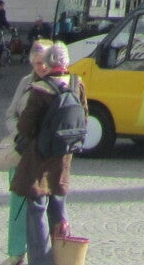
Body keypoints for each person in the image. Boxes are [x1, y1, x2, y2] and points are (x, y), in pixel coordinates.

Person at [13, 41, 87, 265]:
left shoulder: (41, 89)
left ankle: (41, 261)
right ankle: (64, 256)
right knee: (58, 203)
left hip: (40, 156)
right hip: (64, 155)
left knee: (36, 208)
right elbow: (84, 115)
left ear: (48, 62)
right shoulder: (76, 83)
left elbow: (25, 125)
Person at [0, 41, 51, 265]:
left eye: (44, 62)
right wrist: (19, 132)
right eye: (37, 63)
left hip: (45, 152)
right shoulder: (26, 82)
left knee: (44, 205)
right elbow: (11, 113)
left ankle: (44, 254)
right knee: (18, 201)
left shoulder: (57, 83)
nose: (41, 67)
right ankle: (16, 251)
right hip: (21, 149)